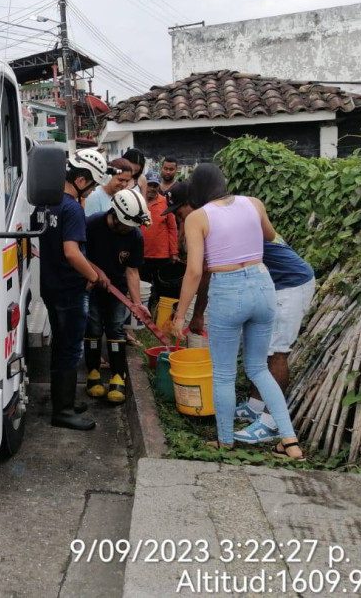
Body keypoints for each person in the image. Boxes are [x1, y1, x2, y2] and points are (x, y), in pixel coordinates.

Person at [171, 164, 304, 459]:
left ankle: (226, 441)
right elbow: (270, 236)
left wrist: (180, 315)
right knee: (258, 368)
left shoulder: (197, 218)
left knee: (223, 374)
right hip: (262, 285)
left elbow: (194, 271)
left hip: (228, 291)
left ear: (197, 190)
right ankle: (290, 441)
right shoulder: (253, 204)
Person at [189, 234, 316, 444]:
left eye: (182, 214)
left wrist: (197, 314)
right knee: (262, 352)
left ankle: (270, 424)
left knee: (277, 353)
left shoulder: (218, 228)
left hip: (291, 285)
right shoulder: (239, 218)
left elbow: (204, 273)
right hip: (272, 285)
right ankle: (254, 407)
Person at [36, 148, 111, 431]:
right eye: (91, 185)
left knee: (61, 344)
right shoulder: (72, 208)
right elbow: (72, 252)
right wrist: (93, 274)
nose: (92, 192)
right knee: (68, 349)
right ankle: (63, 411)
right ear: (81, 180)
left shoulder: (46, 205)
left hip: (50, 285)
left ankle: (63, 401)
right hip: (69, 288)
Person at [83, 189, 149, 404]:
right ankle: (93, 373)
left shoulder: (135, 236)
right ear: (117, 216)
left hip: (117, 289)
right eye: (129, 225)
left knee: (115, 328)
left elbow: (132, 271)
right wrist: (96, 273)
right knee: (92, 327)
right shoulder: (92, 224)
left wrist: (136, 303)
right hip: (89, 286)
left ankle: (118, 375)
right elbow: (78, 254)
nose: (131, 229)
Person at [141, 171, 180, 311]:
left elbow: (172, 228)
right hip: (141, 254)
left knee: (162, 289)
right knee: (142, 287)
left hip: (161, 255)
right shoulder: (138, 201)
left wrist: (174, 252)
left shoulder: (165, 203)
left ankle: (162, 315)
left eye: (154, 185)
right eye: (149, 185)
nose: (152, 188)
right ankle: (142, 315)